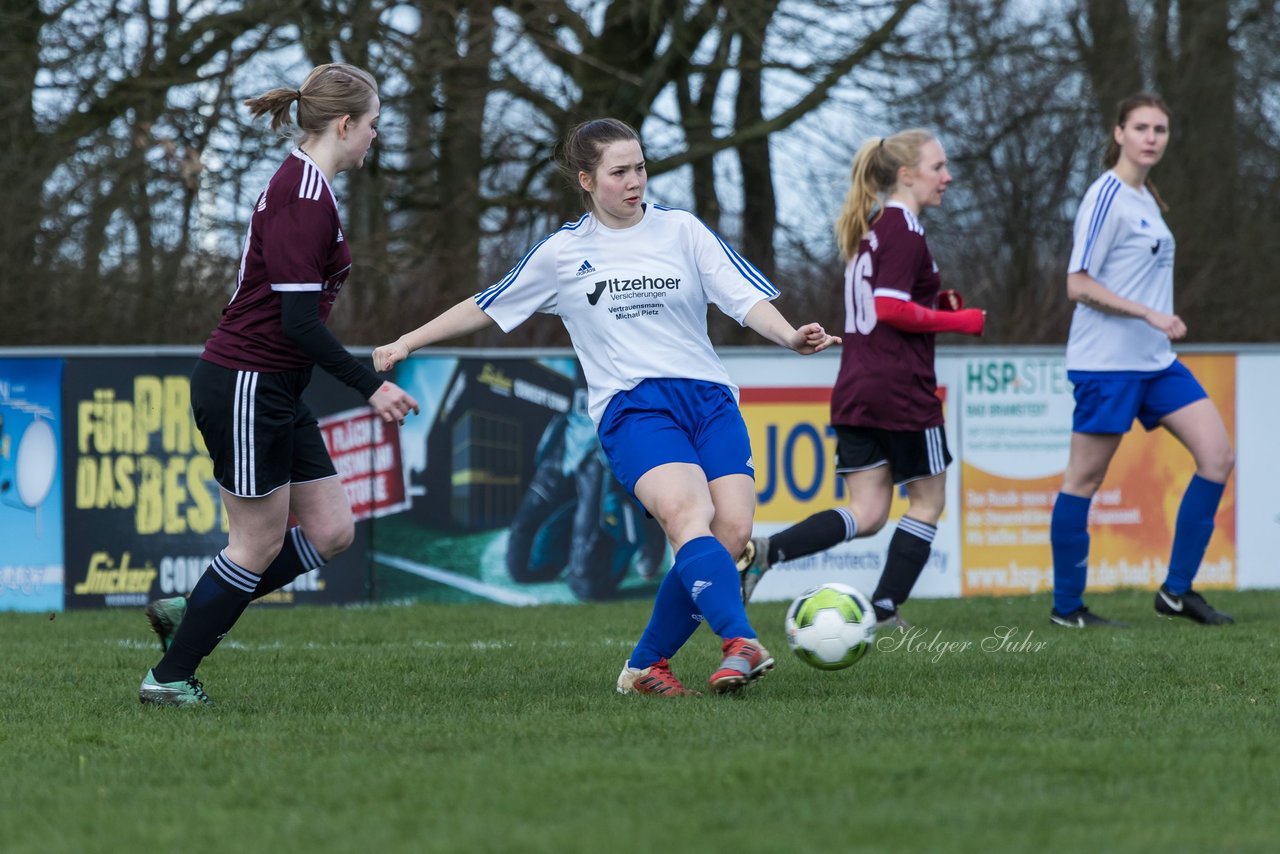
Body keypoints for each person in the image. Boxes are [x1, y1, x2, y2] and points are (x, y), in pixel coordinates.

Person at [373, 118, 839, 696]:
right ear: (587, 180)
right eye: (620, 172)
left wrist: (791, 335)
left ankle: (645, 665)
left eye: (641, 167)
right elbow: (485, 305)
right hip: (635, 408)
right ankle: (739, 641)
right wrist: (407, 341)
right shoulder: (564, 253)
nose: (635, 181)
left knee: (732, 532)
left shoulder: (683, 231)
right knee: (686, 516)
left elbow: (746, 300)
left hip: (710, 399)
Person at [138, 63, 420, 706]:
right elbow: (296, 322)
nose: (376, 137)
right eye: (374, 125)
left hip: (274, 387)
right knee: (258, 542)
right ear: (345, 125)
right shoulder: (301, 197)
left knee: (330, 531)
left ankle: (194, 609)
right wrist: (368, 386)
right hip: (245, 383)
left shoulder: (311, 186)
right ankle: (169, 677)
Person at [735, 130, 985, 628]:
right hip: (902, 391)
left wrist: (935, 305)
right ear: (906, 174)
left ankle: (765, 553)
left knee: (868, 513)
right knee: (928, 500)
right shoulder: (903, 231)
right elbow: (890, 309)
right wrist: (960, 321)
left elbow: (877, 314)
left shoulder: (871, 232)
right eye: (938, 167)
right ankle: (886, 609)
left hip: (858, 386)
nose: (947, 177)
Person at [1048, 92, 1234, 628]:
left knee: (1217, 457)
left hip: (1156, 363)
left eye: (1161, 129)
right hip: (1106, 364)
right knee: (1083, 481)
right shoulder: (1106, 195)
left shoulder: (1146, 197)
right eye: (1142, 127)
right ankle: (1067, 609)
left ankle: (1177, 593)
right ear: (1119, 134)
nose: (1152, 137)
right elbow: (1076, 284)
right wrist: (1148, 314)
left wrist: (1154, 328)